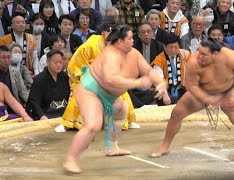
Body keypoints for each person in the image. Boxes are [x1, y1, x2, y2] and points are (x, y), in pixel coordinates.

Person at [63, 24, 168, 173]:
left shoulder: (134, 54)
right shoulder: (110, 54)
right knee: (93, 125)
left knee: (121, 111)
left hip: (110, 96)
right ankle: (70, 160)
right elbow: (110, 79)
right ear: (120, 41)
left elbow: (149, 71)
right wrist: (137, 83)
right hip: (90, 91)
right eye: (130, 38)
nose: (133, 40)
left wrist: (161, 83)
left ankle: (112, 147)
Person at [151, 38, 234, 167]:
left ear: (215, 54)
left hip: (228, 91)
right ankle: (165, 146)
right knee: (176, 114)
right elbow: (191, 85)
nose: (199, 56)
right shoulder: (194, 62)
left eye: (204, 54)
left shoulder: (231, 57)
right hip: (202, 91)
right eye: (199, 52)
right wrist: (206, 98)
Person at [56, 18, 138, 132]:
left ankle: (128, 120)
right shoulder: (91, 44)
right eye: (108, 32)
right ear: (103, 32)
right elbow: (75, 64)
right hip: (87, 78)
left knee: (123, 93)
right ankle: (67, 123)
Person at [26, 50, 70, 120]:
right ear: (47, 63)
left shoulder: (65, 77)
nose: (58, 65)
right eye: (55, 62)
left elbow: (69, 96)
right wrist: (41, 115)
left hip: (62, 113)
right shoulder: (40, 79)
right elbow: (34, 101)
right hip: (45, 114)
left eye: (60, 62)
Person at [151, 33, 191, 105]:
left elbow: (194, 71)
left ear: (179, 46)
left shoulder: (185, 54)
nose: (173, 50)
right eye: (170, 47)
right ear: (164, 46)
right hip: (166, 90)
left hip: (182, 88)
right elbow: (158, 80)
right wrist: (164, 94)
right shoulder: (159, 60)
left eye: (176, 47)